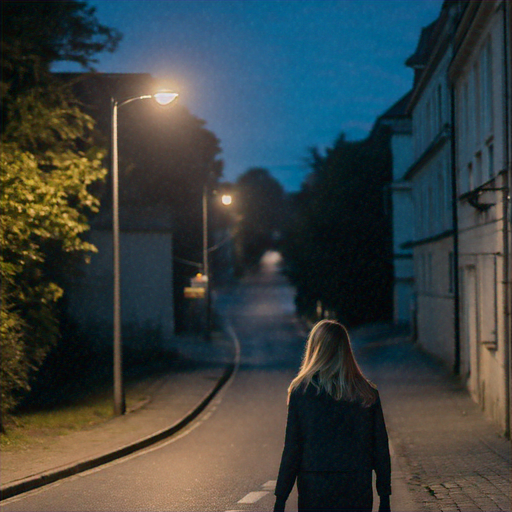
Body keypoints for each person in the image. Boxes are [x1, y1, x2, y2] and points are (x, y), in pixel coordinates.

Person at [274, 319, 391, 512]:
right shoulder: (366, 393)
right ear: (345, 350)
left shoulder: (302, 391)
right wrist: (384, 496)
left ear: (315, 349)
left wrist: (281, 497)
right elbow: (380, 448)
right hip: (356, 484)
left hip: (315, 486)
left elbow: (292, 449)